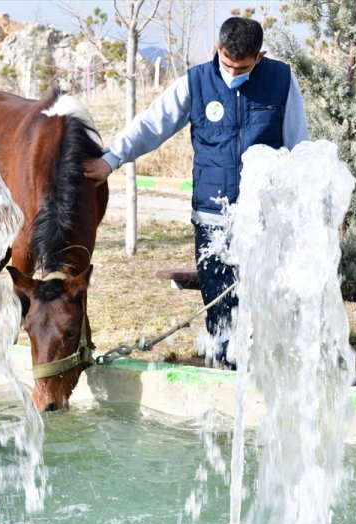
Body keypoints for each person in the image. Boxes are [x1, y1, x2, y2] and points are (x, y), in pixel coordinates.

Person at [84, 17, 309, 368]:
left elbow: (298, 145)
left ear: (259, 57)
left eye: (242, 67)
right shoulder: (196, 82)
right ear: (218, 50)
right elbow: (150, 125)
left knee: (269, 304)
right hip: (212, 218)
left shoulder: (281, 80)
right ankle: (222, 375)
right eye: (226, 64)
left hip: (266, 221)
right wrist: (111, 159)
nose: (232, 73)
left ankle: (268, 378)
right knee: (219, 309)